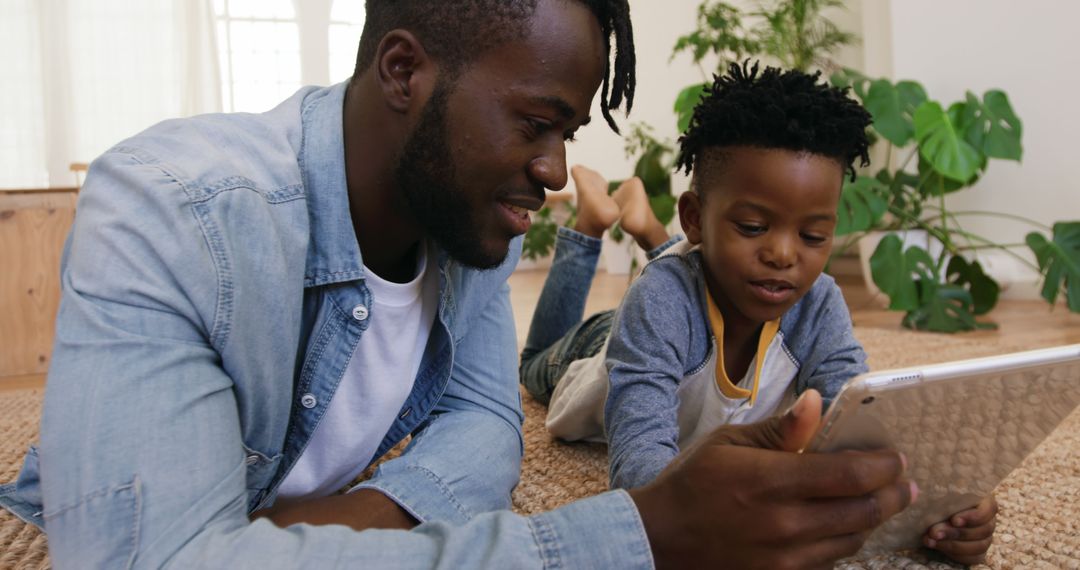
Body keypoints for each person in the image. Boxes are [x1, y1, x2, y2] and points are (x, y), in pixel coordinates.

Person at [0, 2, 917, 568]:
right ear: (404, 70)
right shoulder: (170, 210)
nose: (558, 171)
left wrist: (352, 519)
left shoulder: (460, 220)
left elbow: (486, 432)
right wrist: (642, 536)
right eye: (536, 123)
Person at [521, 62, 998, 566]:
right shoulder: (658, 303)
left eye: (814, 236)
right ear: (695, 218)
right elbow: (641, 474)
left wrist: (939, 503)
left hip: (687, 290)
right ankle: (591, 224)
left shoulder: (818, 302)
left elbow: (860, 419)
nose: (784, 255)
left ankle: (650, 233)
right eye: (752, 226)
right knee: (530, 366)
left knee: (697, 276)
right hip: (595, 349)